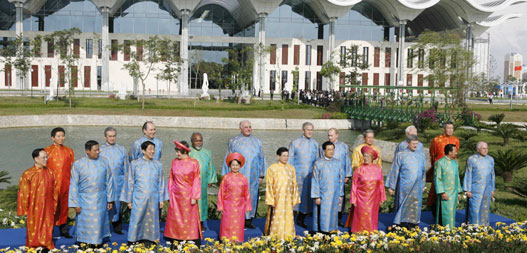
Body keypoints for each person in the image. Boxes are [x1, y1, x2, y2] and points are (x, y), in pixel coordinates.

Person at [121, 141, 168, 246]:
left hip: (153, 198)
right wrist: (129, 200)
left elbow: (161, 182)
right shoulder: (135, 164)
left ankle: (151, 239)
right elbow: (130, 182)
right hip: (139, 197)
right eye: (150, 149)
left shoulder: (158, 164)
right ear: (143, 150)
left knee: (152, 219)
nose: (153, 151)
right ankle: (134, 239)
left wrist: (161, 199)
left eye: (153, 149)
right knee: (137, 218)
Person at [68, 140, 114, 247]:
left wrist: (110, 199)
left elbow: (109, 181)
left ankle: (98, 242)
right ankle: (83, 242)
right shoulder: (78, 164)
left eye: (98, 150)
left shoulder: (104, 162)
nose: (98, 152)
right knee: (85, 222)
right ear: (87, 151)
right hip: (85, 200)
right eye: (95, 150)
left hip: (101, 198)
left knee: (99, 221)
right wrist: (75, 204)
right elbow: (74, 185)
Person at [222, 120, 266, 229]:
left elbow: (262, 158)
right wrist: (226, 176)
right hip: (238, 176)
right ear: (241, 128)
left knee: (252, 196)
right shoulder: (233, 141)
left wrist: (261, 175)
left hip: (253, 176)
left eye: (250, 127)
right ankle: (237, 219)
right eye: (246, 127)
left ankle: (249, 220)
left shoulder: (257, 141)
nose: (248, 129)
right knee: (238, 197)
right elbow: (228, 158)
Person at [17, 148, 58, 250]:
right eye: (43, 157)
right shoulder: (28, 174)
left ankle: (46, 244)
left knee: (47, 225)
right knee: (34, 226)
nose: (46, 159)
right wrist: (25, 209)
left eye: (46, 157)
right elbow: (23, 193)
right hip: (34, 206)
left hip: (48, 205)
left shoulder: (50, 172)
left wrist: (54, 205)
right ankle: (34, 245)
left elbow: (55, 191)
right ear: (36, 159)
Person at [165, 141, 202, 246]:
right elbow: (171, 178)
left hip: (188, 195)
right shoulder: (174, 162)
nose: (177, 154)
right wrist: (169, 192)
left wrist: (195, 196)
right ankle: (176, 238)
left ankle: (190, 238)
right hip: (175, 195)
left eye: (179, 151)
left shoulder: (194, 162)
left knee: (188, 218)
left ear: (185, 151)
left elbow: (196, 180)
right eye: (176, 151)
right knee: (176, 218)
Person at [385, 135, 426, 229]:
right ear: (408, 143)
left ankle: (413, 223)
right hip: (405, 185)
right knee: (403, 203)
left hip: (417, 185)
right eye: (413, 144)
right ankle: (400, 223)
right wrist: (391, 187)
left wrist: (423, 185)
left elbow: (423, 171)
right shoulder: (400, 155)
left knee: (415, 204)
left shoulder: (421, 155)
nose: (415, 146)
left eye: (417, 143)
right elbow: (394, 171)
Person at [44, 127, 75, 238]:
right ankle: (49, 231)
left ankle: (64, 229)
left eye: (63, 136)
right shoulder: (46, 151)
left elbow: (73, 168)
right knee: (51, 207)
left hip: (66, 184)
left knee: (64, 206)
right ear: (53, 138)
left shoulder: (69, 151)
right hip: (51, 185)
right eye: (58, 136)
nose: (61, 138)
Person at [264, 147, 300, 239]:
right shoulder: (272, 168)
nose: (286, 158)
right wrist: (271, 199)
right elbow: (269, 185)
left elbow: (294, 184)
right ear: (278, 156)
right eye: (284, 156)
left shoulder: (291, 168)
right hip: (277, 198)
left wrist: (295, 198)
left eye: (287, 156)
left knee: (288, 216)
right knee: (276, 216)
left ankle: (288, 234)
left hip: (288, 197)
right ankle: (275, 235)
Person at [348, 146, 386, 232]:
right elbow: (354, 185)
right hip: (361, 198)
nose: (365, 158)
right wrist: (353, 199)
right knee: (361, 216)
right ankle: (359, 234)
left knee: (372, 216)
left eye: (368, 156)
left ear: (372, 158)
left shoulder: (378, 169)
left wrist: (382, 197)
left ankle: (371, 233)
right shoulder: (359, 169)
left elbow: (381, 184)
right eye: (364, 156)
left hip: (374, 198)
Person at [288, 122, 319, 228]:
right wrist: (290, 175)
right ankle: (290, 219)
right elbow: (290, 159)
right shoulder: (295, 143)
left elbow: (317, 161)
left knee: (307, 199)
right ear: (303, 130)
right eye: (308, 129)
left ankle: (301, 218)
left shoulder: (315, 143)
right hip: (297, 176)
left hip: (310, 176)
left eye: (311, 130)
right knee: (295, 197)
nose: (310, 132)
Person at [426, 122, 460, 219]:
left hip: (450, 170)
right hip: (439, 169)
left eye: (452, 128)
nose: (450, 130)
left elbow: (455, 155)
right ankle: (436, 215)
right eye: (448, 128)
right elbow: (432, 155)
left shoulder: (455, 140)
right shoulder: (437, 140)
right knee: (437, 191)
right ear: (443, 129)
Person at [99, 127, 128, 234]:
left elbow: (126, 168)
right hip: (105, 183)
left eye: (114, 136)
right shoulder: (100, 150)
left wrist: (127, 184)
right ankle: (104, 229)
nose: (112, 138)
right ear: (105, 136)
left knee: (118, 205)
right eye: (110, 136)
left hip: (118, 183)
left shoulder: (122, 150)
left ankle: (118, 228)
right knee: (105, 205)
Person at [321, 128, 351, 227]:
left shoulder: (343, 146)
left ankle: (339, 219)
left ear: (337, 135)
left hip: (340, 177)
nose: (330, 137)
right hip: (328, 178)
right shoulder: (324, 146)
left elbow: (347, 161)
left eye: (332, 135)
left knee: (340, 198)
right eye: (328, 135)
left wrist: (347, 175)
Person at [218, 153, 251, 242]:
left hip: (240, 206)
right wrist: (220, 206)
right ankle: (225, 241)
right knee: (227, 224)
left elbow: (247, 193)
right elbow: (221, 192)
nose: (235, 167)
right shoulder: (226, 178)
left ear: (240, 166)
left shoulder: (244, 178)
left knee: (238, 224)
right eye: (233, 165)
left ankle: (237, 242)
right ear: (229, 166)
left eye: (237, 165)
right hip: (228, 205)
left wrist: (248, 205)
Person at [311, 141, 343, 234]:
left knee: (333, 214)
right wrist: (316, 196)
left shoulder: (338, 163)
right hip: (323, 194)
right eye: (329, 149)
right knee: (322, 214)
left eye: (333, 149)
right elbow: (315, 180)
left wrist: (341, 194)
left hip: (335, 194)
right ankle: (322, 232)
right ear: (324, 150)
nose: (331, 152)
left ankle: (332, 231)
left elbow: (341, 179)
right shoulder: (318, 163)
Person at [189, 132, 218, 230]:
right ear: (192, 141)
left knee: (202, 202)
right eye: (196, 140)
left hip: (203, 183)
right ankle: (191, 223)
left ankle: (200, 223)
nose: (198, 143)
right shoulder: (188, 152)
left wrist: (211, 179)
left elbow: (210, 166)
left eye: (200, 140)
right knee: (192, 202)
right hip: (191, 183)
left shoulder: (207, 152)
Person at [464, 142, 495, 225]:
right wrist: (467, 190)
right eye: (483, 148)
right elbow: (468, 174)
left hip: (487, 188)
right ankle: (473, 226)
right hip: (475, 188)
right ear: (478, 149)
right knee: (474, 208)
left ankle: (484, 226)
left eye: (487, 148)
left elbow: (492, 175)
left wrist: (493, 189)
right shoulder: (471, 159)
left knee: (485, 208)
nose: (486, 150)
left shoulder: (490, 159)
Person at [434, 144, 462, 228]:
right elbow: (437, 178)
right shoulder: (440, 162)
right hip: (445, 193)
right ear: (449, 152)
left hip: (454, 192)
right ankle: (444, 231)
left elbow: (457, 178)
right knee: (445, 212)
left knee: (452, 213)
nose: (456, 153)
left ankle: (451, 230)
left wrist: (459, 192)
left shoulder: (455, 163)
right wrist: (442, 192)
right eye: (455, 151)